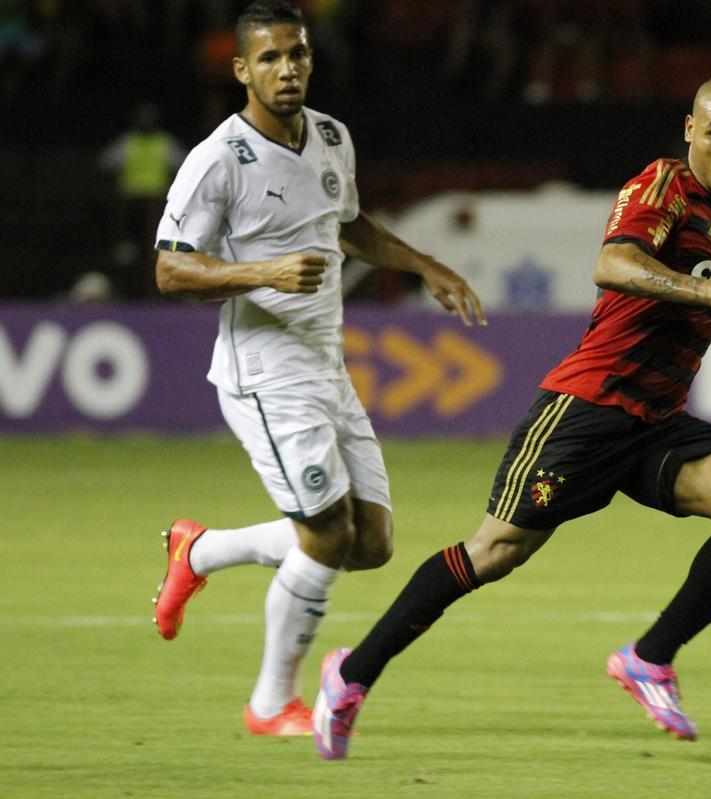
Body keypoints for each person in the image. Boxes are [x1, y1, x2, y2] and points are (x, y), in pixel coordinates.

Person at [311, 75, 711, 760]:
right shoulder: (662, 186)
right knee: (494, 551)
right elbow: (613, 262)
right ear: (690, 129)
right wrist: (702, 293)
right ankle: (351, 672)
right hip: (587, 411)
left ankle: (649, 659)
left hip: (655, 421)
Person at [151, 0, 484, 737]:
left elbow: (347, 223)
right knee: (327, 534)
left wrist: (425, 263)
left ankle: (199, 550)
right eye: (269, 58)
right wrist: (263, 270)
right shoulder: (217, 158)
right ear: (241, 70)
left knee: (372, 541)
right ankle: (272, 702)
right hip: (264, 370)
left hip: (325, 363)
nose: (288, 69)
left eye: (296, 54)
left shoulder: (332, 136)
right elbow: (170, 272)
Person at [100, 102, 185, 298]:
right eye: (141, 118)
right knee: (130, 245)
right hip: (131, 205)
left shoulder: (165, 142)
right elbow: (104, 162)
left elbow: (184, 165)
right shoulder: (127, 142)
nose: (145, 122)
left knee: (157, 244)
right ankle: (125, 245)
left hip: (158, 206)